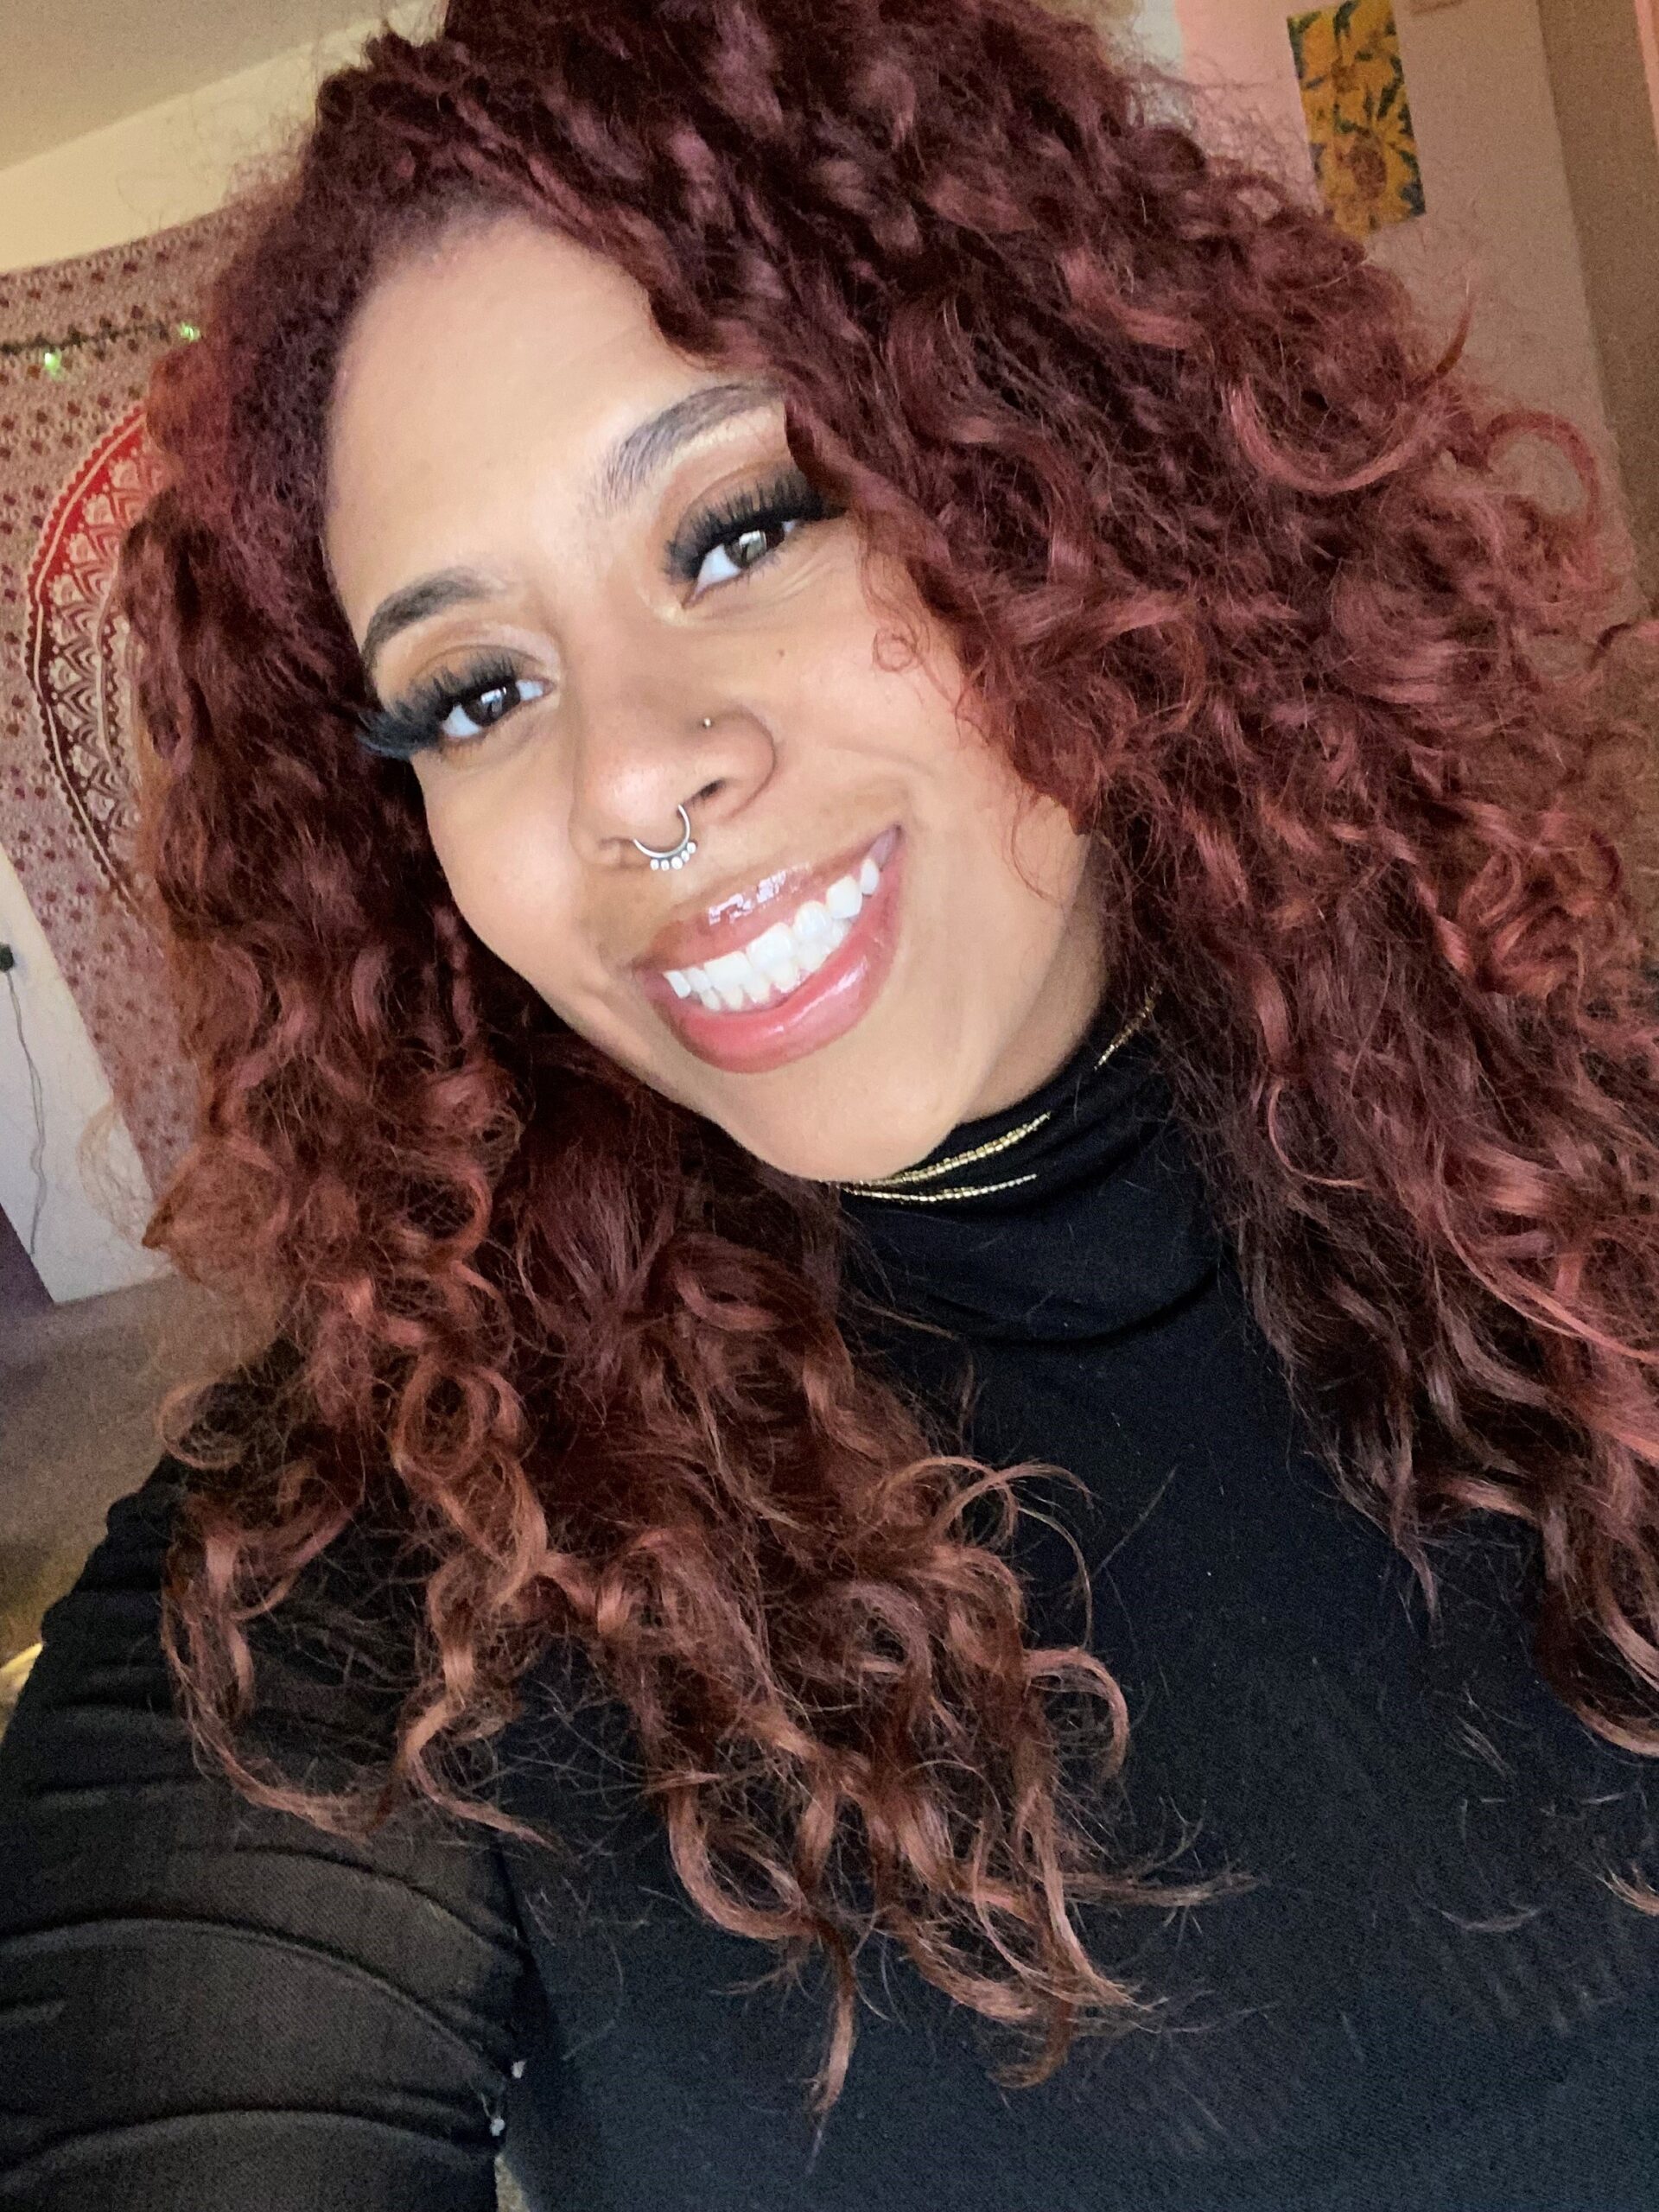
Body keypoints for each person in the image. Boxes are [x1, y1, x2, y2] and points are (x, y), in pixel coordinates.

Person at [5, 0, 1659, 2204]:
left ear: (1066, 478)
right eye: (475, 690)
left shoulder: (1589, 1157)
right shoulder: (376, 1562)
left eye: (738, 528)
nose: (625, 774)